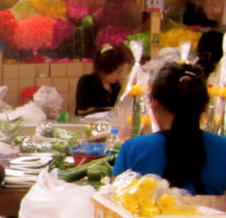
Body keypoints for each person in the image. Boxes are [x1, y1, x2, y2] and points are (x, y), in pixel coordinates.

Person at [112, 62, 226, 195]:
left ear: (154, 104)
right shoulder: (223, 148)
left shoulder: (133, 149)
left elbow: (114, 203)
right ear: (204, 107)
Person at [75, 43, 131, 116]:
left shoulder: (115, 86)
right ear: (105, 69)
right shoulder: (86, 81)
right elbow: (81, 111)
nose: (120, 76)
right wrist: (108, 109)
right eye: (118, 72)